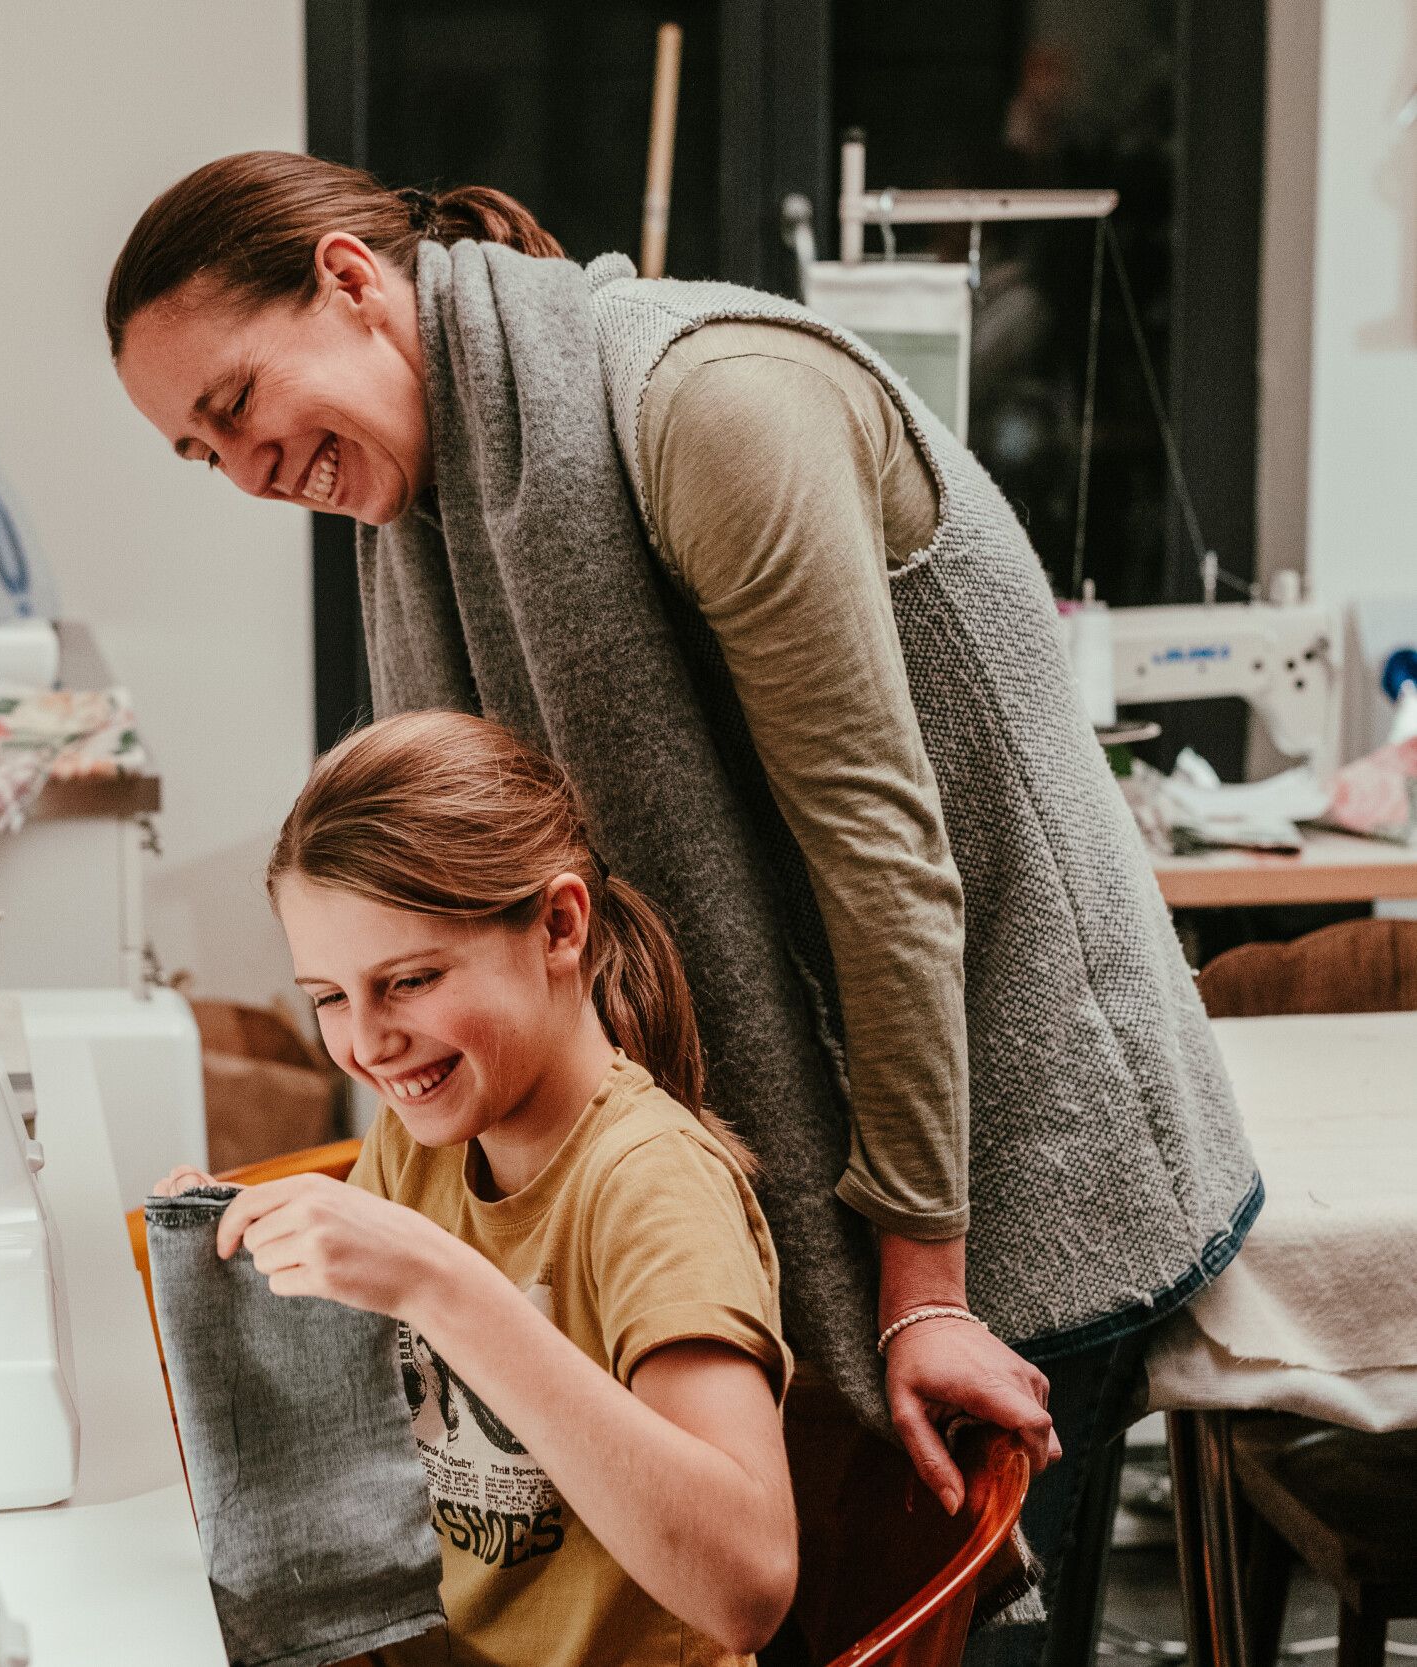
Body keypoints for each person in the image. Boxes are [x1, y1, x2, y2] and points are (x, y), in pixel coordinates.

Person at [108, 152, 1260, 1667]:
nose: (251, 471)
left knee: (957, 1626)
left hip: (1018, 1127)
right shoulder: (436, 514)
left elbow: (886, 858)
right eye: (205, 454)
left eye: (242, 404)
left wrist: (921, 1286)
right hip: (835, 1132)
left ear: (347, 277)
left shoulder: (706, 409)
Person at [158, 710, 798, 1667]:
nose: (366, 1044)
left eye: (409, 980)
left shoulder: (648, 1185)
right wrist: (250, 1273)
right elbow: (371, 1437)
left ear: (559, 925)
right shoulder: (422, 1144)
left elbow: (747, 1587)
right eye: (330, 996)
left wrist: (440, 1284)